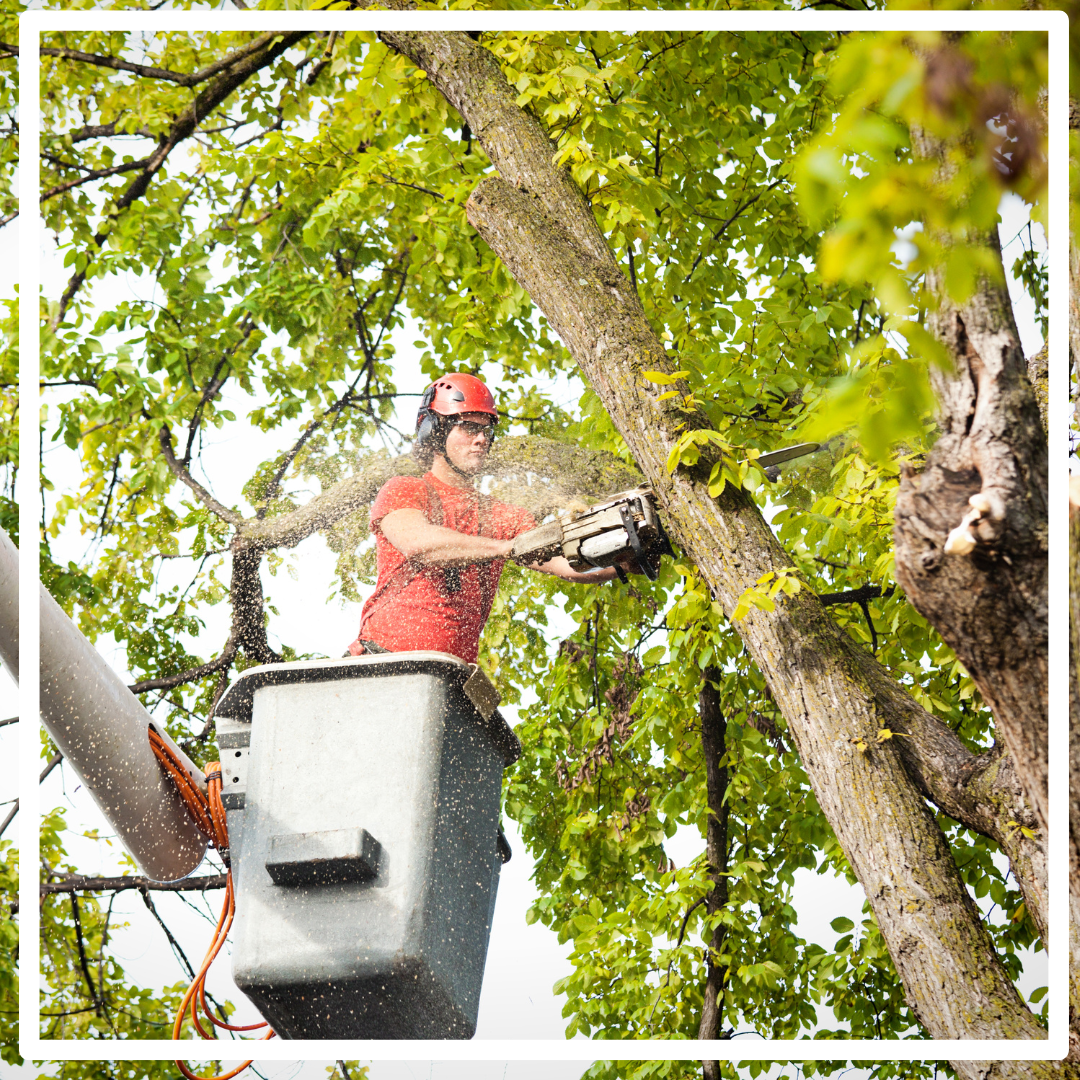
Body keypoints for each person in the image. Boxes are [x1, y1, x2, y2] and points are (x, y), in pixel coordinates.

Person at [346, 372, 625, 664]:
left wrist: (622, 561)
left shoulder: (503, 516)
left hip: (451, 675)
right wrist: (504, 547)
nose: (480, 439)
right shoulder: (407, 489)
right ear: (436, 431)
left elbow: (567, 565)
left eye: (486, 431)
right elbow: (419, 544)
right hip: (381, 663)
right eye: (468, 427)